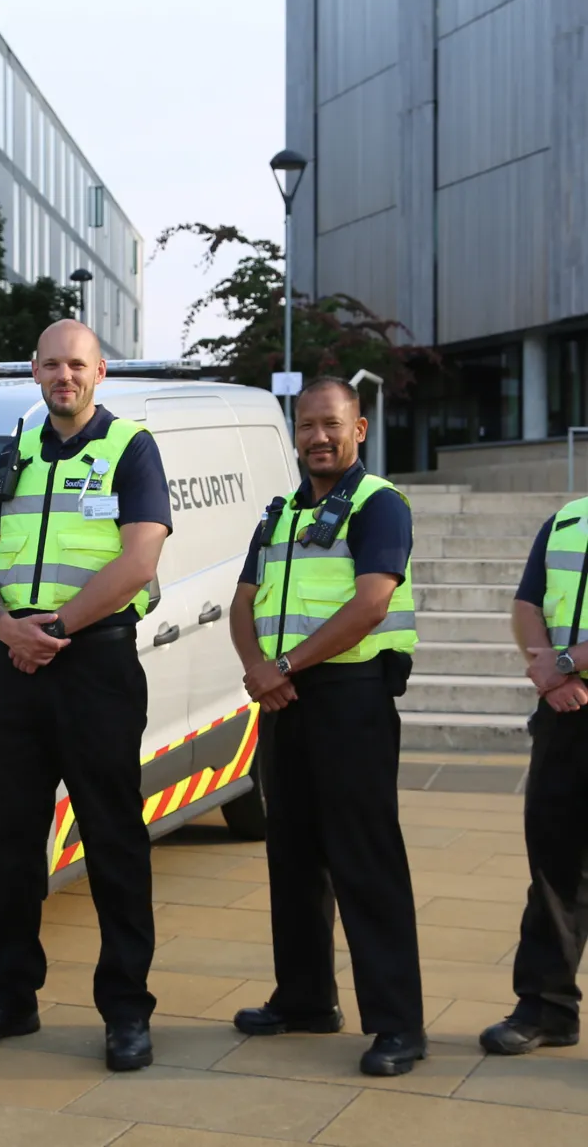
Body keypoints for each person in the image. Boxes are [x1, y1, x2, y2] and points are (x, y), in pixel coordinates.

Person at [0, 319, 172, 1072]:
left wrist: (58, 628)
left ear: (100, 371)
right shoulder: (14, 454)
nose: (63, 376)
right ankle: (8, 998)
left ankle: (127, 1012)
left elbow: (140, 559)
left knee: (113, 839)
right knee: (10, 840)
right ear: (34, 374)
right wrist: (10, 628)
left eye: (76, 364)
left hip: (95, 665)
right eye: (50, 365)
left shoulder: (130, 448)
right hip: (15, 665)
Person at [228, 376, 425, 1076]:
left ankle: (398, 1024)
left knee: (365, 861)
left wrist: (284, 665)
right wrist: (258, 668)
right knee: (293, 855)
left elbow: (372, 604)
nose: (317, 437)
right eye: (306, 425)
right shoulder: (278, 513)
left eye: (331, 425)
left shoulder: (380, 506)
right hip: (286, 704)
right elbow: (242, 601)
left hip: (351, 700)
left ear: (359, 429)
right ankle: (305, 997)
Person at [476, 496, 588, 1056]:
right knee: (552, 865)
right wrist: (551, 675)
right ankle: (547, 1008)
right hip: (566, 714)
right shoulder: (567, 520)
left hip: (571, 682)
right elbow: (527, 604)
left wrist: (567, 662)